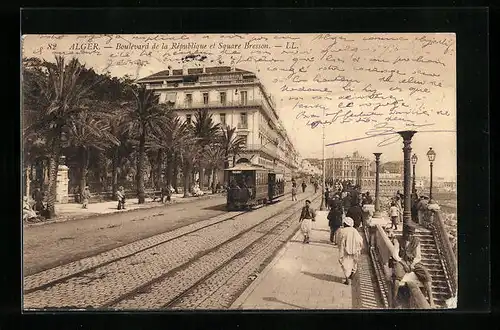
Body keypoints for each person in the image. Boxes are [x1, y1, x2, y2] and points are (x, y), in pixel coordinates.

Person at [391, 223, 436, 308]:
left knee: (426, 275)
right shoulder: (398, 239)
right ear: (404, 233)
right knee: (397, 276)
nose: (409, 235)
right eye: (408, 233)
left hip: (413, 262)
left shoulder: (416, 241)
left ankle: (431, 300)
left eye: (411, 233)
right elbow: (395, 255)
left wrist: (412, 264)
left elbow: (418, 257)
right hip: (401, 261)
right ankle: (394, 299)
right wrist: (403, 263)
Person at [338, 217, 364, 285]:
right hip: (355, 250)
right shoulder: (355, 231)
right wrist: (358, 248)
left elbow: (340, 241)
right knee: (354, 263)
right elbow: (360, 240)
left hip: (346, 251)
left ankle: (347, 279)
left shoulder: (342, 231)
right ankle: (352, 274)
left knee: (346, 264)